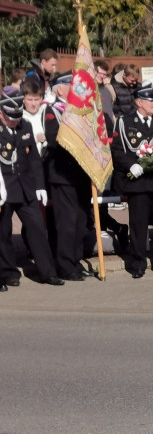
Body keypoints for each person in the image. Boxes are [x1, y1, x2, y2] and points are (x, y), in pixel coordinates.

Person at [111, 82, 153, 278]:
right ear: (139, 102)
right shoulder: (125, 122)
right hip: (137, 184)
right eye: (150, 100)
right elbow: (116, 150)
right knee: (138, 225)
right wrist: (130, 165)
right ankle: (138, 263)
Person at [0, 94, 64, 288]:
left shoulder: (25, 125)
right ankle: (7, 273)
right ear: (1, 114)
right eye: (10, 118)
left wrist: (40, 186)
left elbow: (34, 159)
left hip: (26, 188)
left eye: (17, 117)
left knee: (37, 228)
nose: (14, 122)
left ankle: (47, 272)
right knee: (3, 233)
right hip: (4, 188)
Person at [42, 74, 95, 280]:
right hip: (62, 174)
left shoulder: (82, 110)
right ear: (60, 89)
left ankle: (75, 260)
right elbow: (54, 138)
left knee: (81, 220)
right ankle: (65, 264)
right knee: (67, 221)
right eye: (71, 85)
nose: (75, 88)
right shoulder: (53, 110)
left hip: (82, 173)